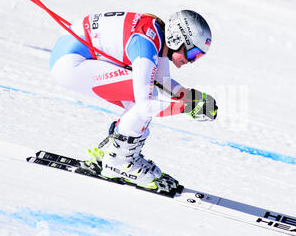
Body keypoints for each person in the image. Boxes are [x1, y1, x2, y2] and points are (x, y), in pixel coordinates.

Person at [49, 10, 217, 190]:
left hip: (72, 56)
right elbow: (146, 104)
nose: (191, 61)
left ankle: (116, 153)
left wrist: (187, 95)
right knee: (145, 97)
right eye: (193, 54)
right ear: (177, 39)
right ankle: (118, 162)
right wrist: (185, 107)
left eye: (198, 57)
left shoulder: (156, 38)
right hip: (70, 64)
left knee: (144, 92)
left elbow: (163, 82)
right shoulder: (146, 45)